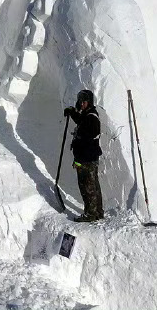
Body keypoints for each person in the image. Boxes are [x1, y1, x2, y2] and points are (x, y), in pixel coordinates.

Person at [63, 89, 103, 221]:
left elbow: (89, 134)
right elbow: (81, 121)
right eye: (80, 101)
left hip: (86, 158)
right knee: (93, 185)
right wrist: (73, 112)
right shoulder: (88, 115)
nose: (81, 104)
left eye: (84, 102)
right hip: (86, 157)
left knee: (87, 187)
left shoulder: (91, 117)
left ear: (89, 102)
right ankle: (97, 212)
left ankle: (91, 214)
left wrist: (79, 139)